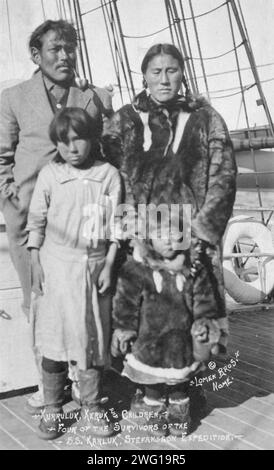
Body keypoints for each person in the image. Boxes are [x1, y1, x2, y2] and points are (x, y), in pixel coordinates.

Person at [103, 43, 237, 434]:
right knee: (144, 319)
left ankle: (185, 393)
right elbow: (108, 179)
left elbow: (224, 178)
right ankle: (147, 392)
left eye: (172, 71)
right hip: (140, 242)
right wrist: (124, 232)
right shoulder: (123, 121)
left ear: (182, 73)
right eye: (156, 71)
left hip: (191, 241)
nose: (164, 79)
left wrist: (203, 233)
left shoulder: (207, 119)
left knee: (192, 317)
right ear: (143, 75)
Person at [0, 19, 113, 412]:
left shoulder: (92, 97)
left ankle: (86, 387)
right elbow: (1, 157)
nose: (65, 56)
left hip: (81, 224)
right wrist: (11, 199)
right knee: (39, 302)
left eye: (70, 48)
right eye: (55, 49)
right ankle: (51, 389)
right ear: (36, 55)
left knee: (82, 302)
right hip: (31, 222)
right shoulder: (13, 98)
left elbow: (110, 154)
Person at [26, 107, 122, 440]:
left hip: (94, 270)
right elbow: (35, 223)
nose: (72, 148)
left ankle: (92, 408)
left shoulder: (108, 175)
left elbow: (117, 227)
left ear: (93, 138)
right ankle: (52, 407)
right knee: (54, 342)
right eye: (64, 142)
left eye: (79, 139)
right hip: (55, 268)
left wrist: (109, 264)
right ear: (57, 144)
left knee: (90, 343)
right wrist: (35, 262)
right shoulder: (50, 175)